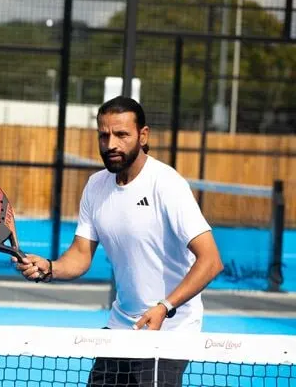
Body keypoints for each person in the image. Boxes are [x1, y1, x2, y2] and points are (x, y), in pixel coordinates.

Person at [14, 96, 224, 386]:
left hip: (170, 331)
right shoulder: (96, 186)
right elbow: (80, 255)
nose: (111, 143)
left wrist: (164, 307)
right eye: (104, 134)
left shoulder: (166, 184)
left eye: (122, 134)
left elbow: (211, 261)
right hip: (120, 326)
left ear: (143, 135)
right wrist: (49, 267)